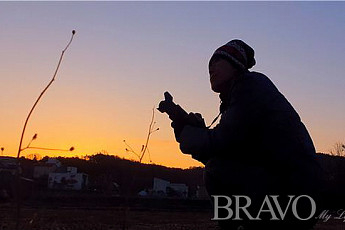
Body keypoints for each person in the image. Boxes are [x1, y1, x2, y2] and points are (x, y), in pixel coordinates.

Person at [159, 39, 323, 230]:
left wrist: (188, 131)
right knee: (216, 167)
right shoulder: (238, 98)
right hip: (294, 192)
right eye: (208, 66)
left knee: (215, 170)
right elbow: (225, 149)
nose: (210, 69)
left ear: (235, 65)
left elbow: (223, 143)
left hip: (295, 192)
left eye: (217, 62)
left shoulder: (251, 86)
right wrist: (184, 124)